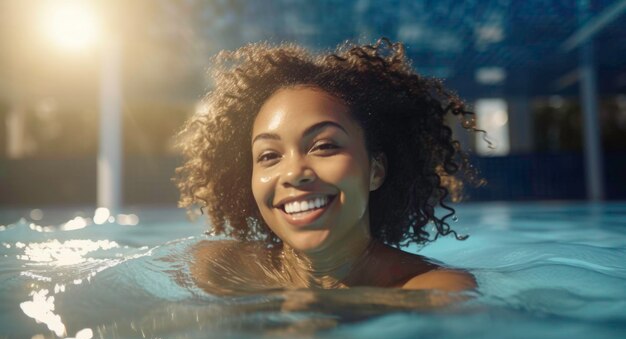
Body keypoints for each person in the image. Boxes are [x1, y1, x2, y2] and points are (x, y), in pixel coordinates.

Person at [175, 38, 479, 297]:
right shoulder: (217, 271)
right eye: (269, 155)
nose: (294, 173)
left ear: (376, 170)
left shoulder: (433, 293)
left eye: (324, 146)